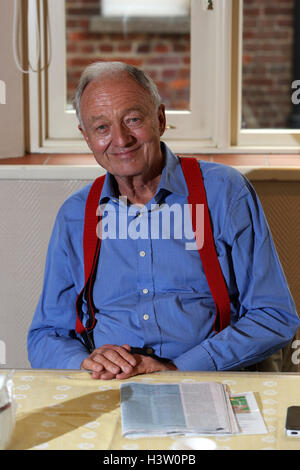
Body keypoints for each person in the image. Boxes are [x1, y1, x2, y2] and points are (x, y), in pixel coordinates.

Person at [27, 61, 300, 380]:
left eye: (133, 119)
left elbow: (275, 316)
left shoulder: (225, 192)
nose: (121, 139)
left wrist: (177, 368)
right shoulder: (75, 215)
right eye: (101, 127)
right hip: (109, 385)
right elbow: (45, 335)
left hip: (209, 379)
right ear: (86, 137)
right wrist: (85, 362)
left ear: (160, 119)